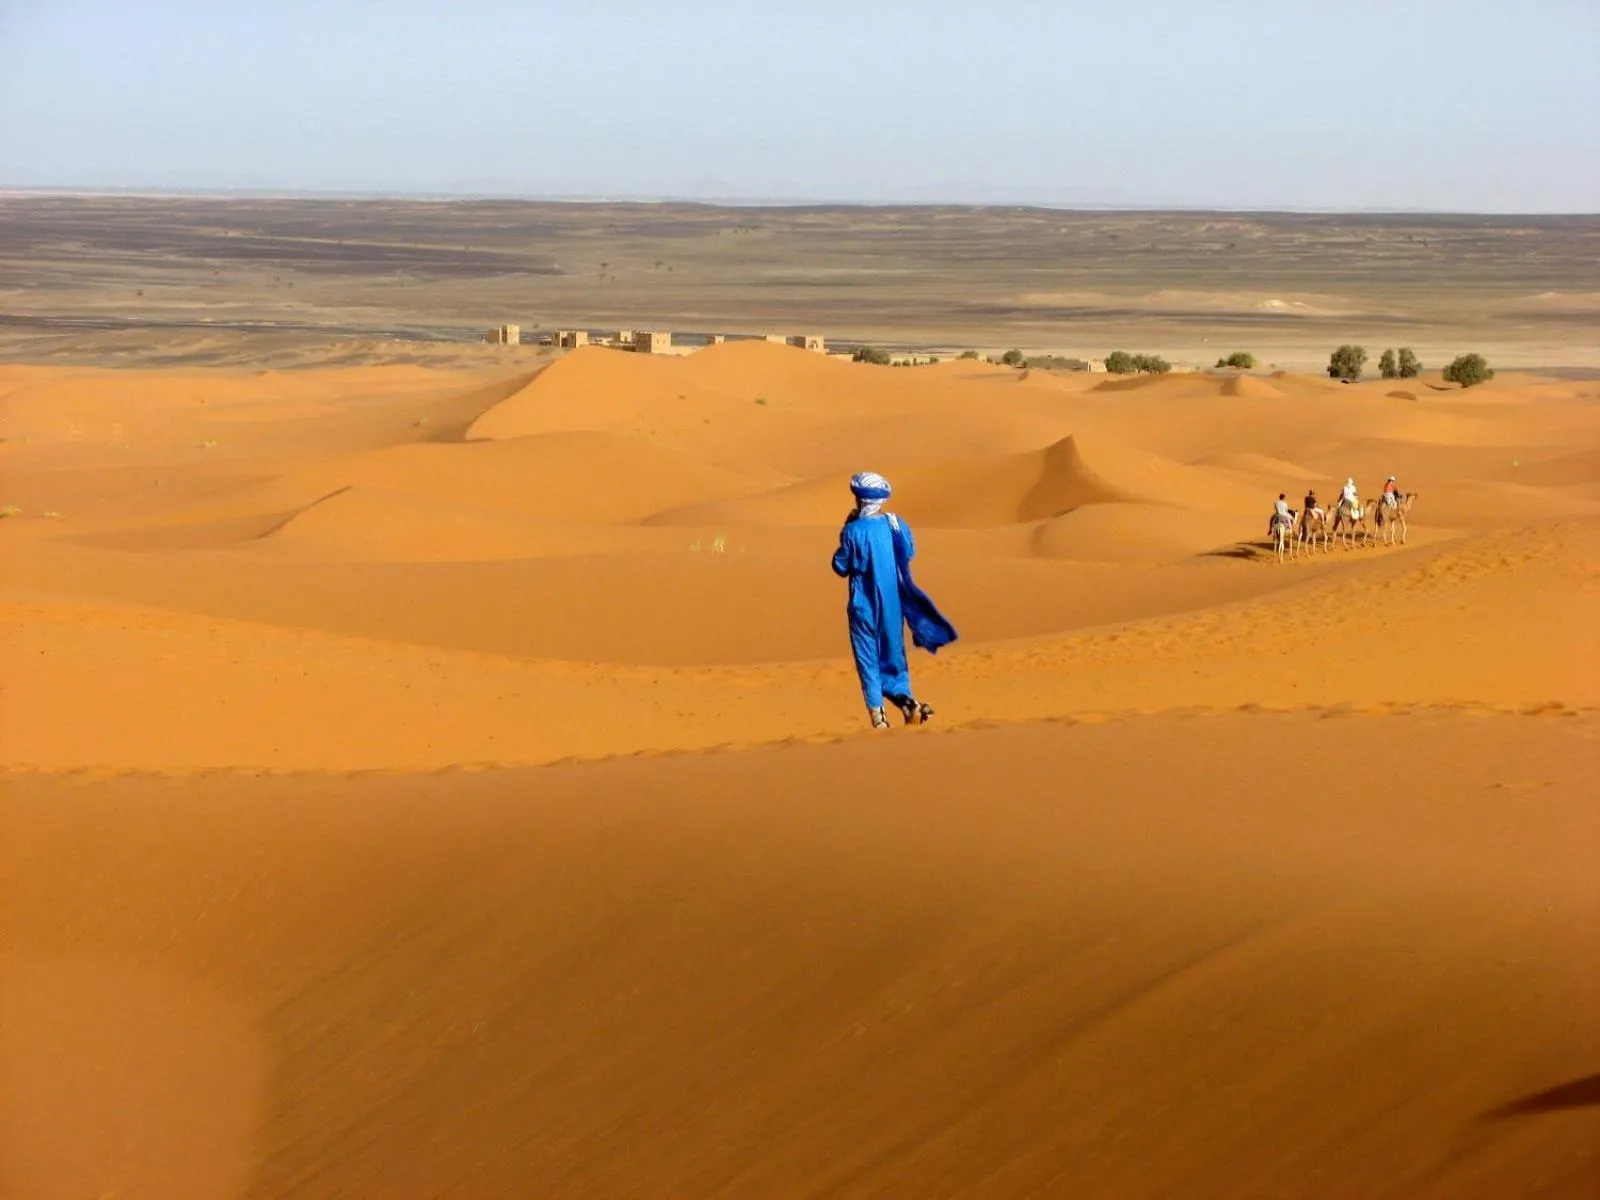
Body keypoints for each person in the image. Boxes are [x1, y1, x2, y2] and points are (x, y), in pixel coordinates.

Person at [831, 472, 957, 728]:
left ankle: (879, 721)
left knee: (868, 661)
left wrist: (847, 530)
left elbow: (840, 565)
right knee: (894, 658)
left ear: (858, 498)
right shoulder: (895, 524)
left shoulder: (852, 531)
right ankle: (907, 702)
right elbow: (908, 552)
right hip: (892, 605)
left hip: (862, 607)